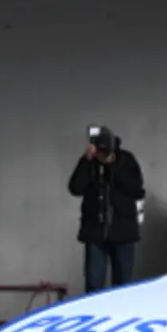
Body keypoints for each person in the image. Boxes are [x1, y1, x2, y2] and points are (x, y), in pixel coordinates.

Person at [68, 124, 145, 291]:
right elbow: (75, 187)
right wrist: (85, 161)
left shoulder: (126, 160)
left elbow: (137, 188)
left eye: (105, 153)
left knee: (123, 283)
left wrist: (113, 167)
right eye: (99, 153)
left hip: (123, 231)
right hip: (95, 231)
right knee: (93, 282)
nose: (102, 157)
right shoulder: (89, 162)